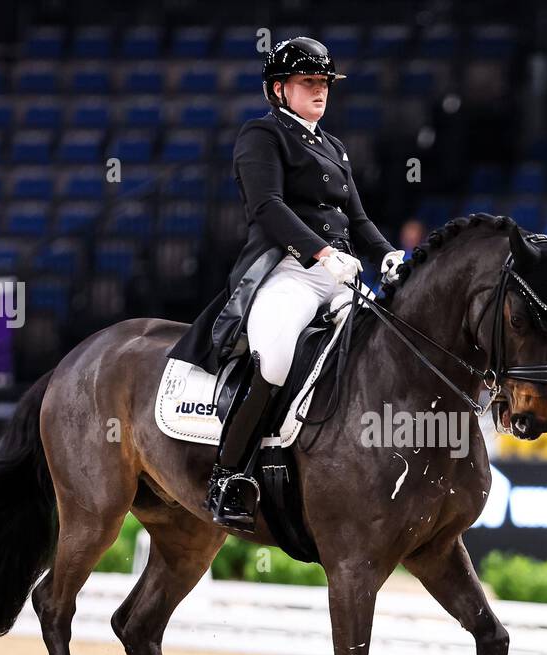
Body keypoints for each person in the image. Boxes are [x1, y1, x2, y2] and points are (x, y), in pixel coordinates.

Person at [165, 37, 403, 528]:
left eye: (324, 84)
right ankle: (228, 477)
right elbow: (267, 207)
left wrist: (388, 255)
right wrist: (319, 252)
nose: (320, 92)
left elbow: (357, 218)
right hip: (289, 272)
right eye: (308, 82)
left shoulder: (333, 146)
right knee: (273, 358)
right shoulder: (262, 135)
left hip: (340, 276)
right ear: (279, 90)